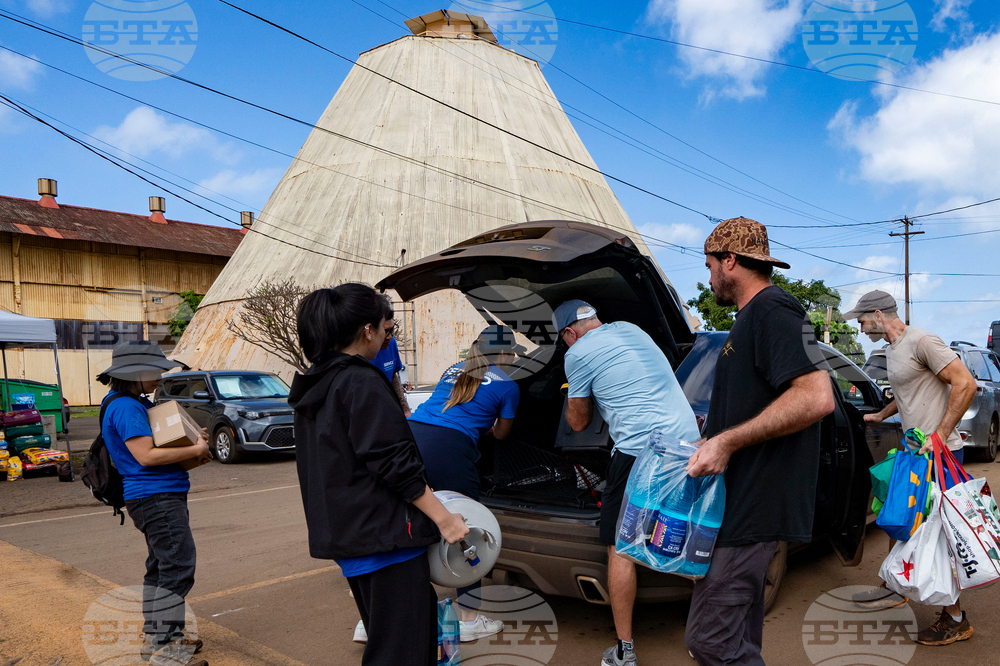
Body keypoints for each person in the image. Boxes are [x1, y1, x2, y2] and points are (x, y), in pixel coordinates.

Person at [289, 283, 469, 666]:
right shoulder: (360, 381)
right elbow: (392, 461)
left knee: (391, 644)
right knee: (402, 653)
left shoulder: (318, 383)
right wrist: (444, 519)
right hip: (384, 539)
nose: (388, 338)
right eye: (387, 330)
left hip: (352, 534)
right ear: (367, 330)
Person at [685, 217, 835, 666]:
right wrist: (710, 434)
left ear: (730, 261)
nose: (708, 275)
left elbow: (816, 397)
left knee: (711, 641)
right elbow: (754, 402)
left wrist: (726, 443)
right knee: (737, 639)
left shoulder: (774, 310)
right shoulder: (750, 319)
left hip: (754, 508)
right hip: (738, 504)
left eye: (710, 264)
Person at [553, 299, 701, 666]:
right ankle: (707, 637)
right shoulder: (632, 329)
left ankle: (624, 652)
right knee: (689, 540)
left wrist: (573, 391)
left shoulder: (578, 353)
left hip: (639, 452)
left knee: (620, 548)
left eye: (564, 340)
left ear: (570, 333)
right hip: (687, 448)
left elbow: (578, 423)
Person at [844, 290, 977, 645]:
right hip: (916, 455)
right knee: (896, 521)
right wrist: (880, 414)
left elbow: (966, 384)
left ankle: (956, 619)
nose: (859, 327)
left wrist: (940, 435)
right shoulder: (891, 349)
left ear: (877, 313)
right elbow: (906, 394)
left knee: (937, 538)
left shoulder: (922, 341)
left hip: (940, 456)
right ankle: (894, 587)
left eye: (861, 320)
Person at [96, 341, 212, 666]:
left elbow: (155, 446)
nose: (161, 375)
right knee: (178, 566)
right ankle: (165, 650)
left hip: (154, 495)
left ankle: (159, 637)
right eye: (155, 370)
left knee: (160, 566)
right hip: (155, 496)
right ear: (133, 373)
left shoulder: (128, 402)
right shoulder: (127, 407)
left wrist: (191, 440)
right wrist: (195, 450)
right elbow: (146, 456)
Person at [407, 323, 523, 642]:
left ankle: (400, 612)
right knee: (466, 527)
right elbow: (502, 433)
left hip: (412, 437)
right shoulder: (509, 385)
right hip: (449, 447)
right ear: (503, 353)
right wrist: (483, 428)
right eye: (511, 353)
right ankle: (469, 618)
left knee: (410, 522)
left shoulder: (454, 368)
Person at [371, 295, 411, 416]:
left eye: (392, 331)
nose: (389, 336)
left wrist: (405, 409)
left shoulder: (391, 343)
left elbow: (393, 375)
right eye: (385, 331)